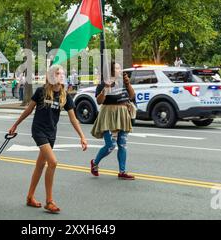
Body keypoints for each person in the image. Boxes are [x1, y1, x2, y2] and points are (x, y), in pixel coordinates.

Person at [8, 65, 88, 213]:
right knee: (53, 162)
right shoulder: (41, 92)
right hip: (38, 131)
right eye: (57, 73)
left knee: (40, 165)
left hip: (51, 133)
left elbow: (73, 118)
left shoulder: (65, 95)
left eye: (62, 73)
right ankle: (49, 201)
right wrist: (15, 125)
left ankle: (30, 197)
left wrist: (82, 136)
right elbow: (28, 110)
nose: (61, 75)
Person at [90, 61, 136, 180]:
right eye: (116, 68)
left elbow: (131, 96)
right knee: (110, 145)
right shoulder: (103, 83)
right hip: (109, 115)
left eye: (120, 68)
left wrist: (128, 83)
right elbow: (99, 101)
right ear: (110, 71)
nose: (119, 70)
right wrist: (106, 88)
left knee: (122, 144)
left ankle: (122, 172)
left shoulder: (122, 82)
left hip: (123, 114)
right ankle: (95, 163)